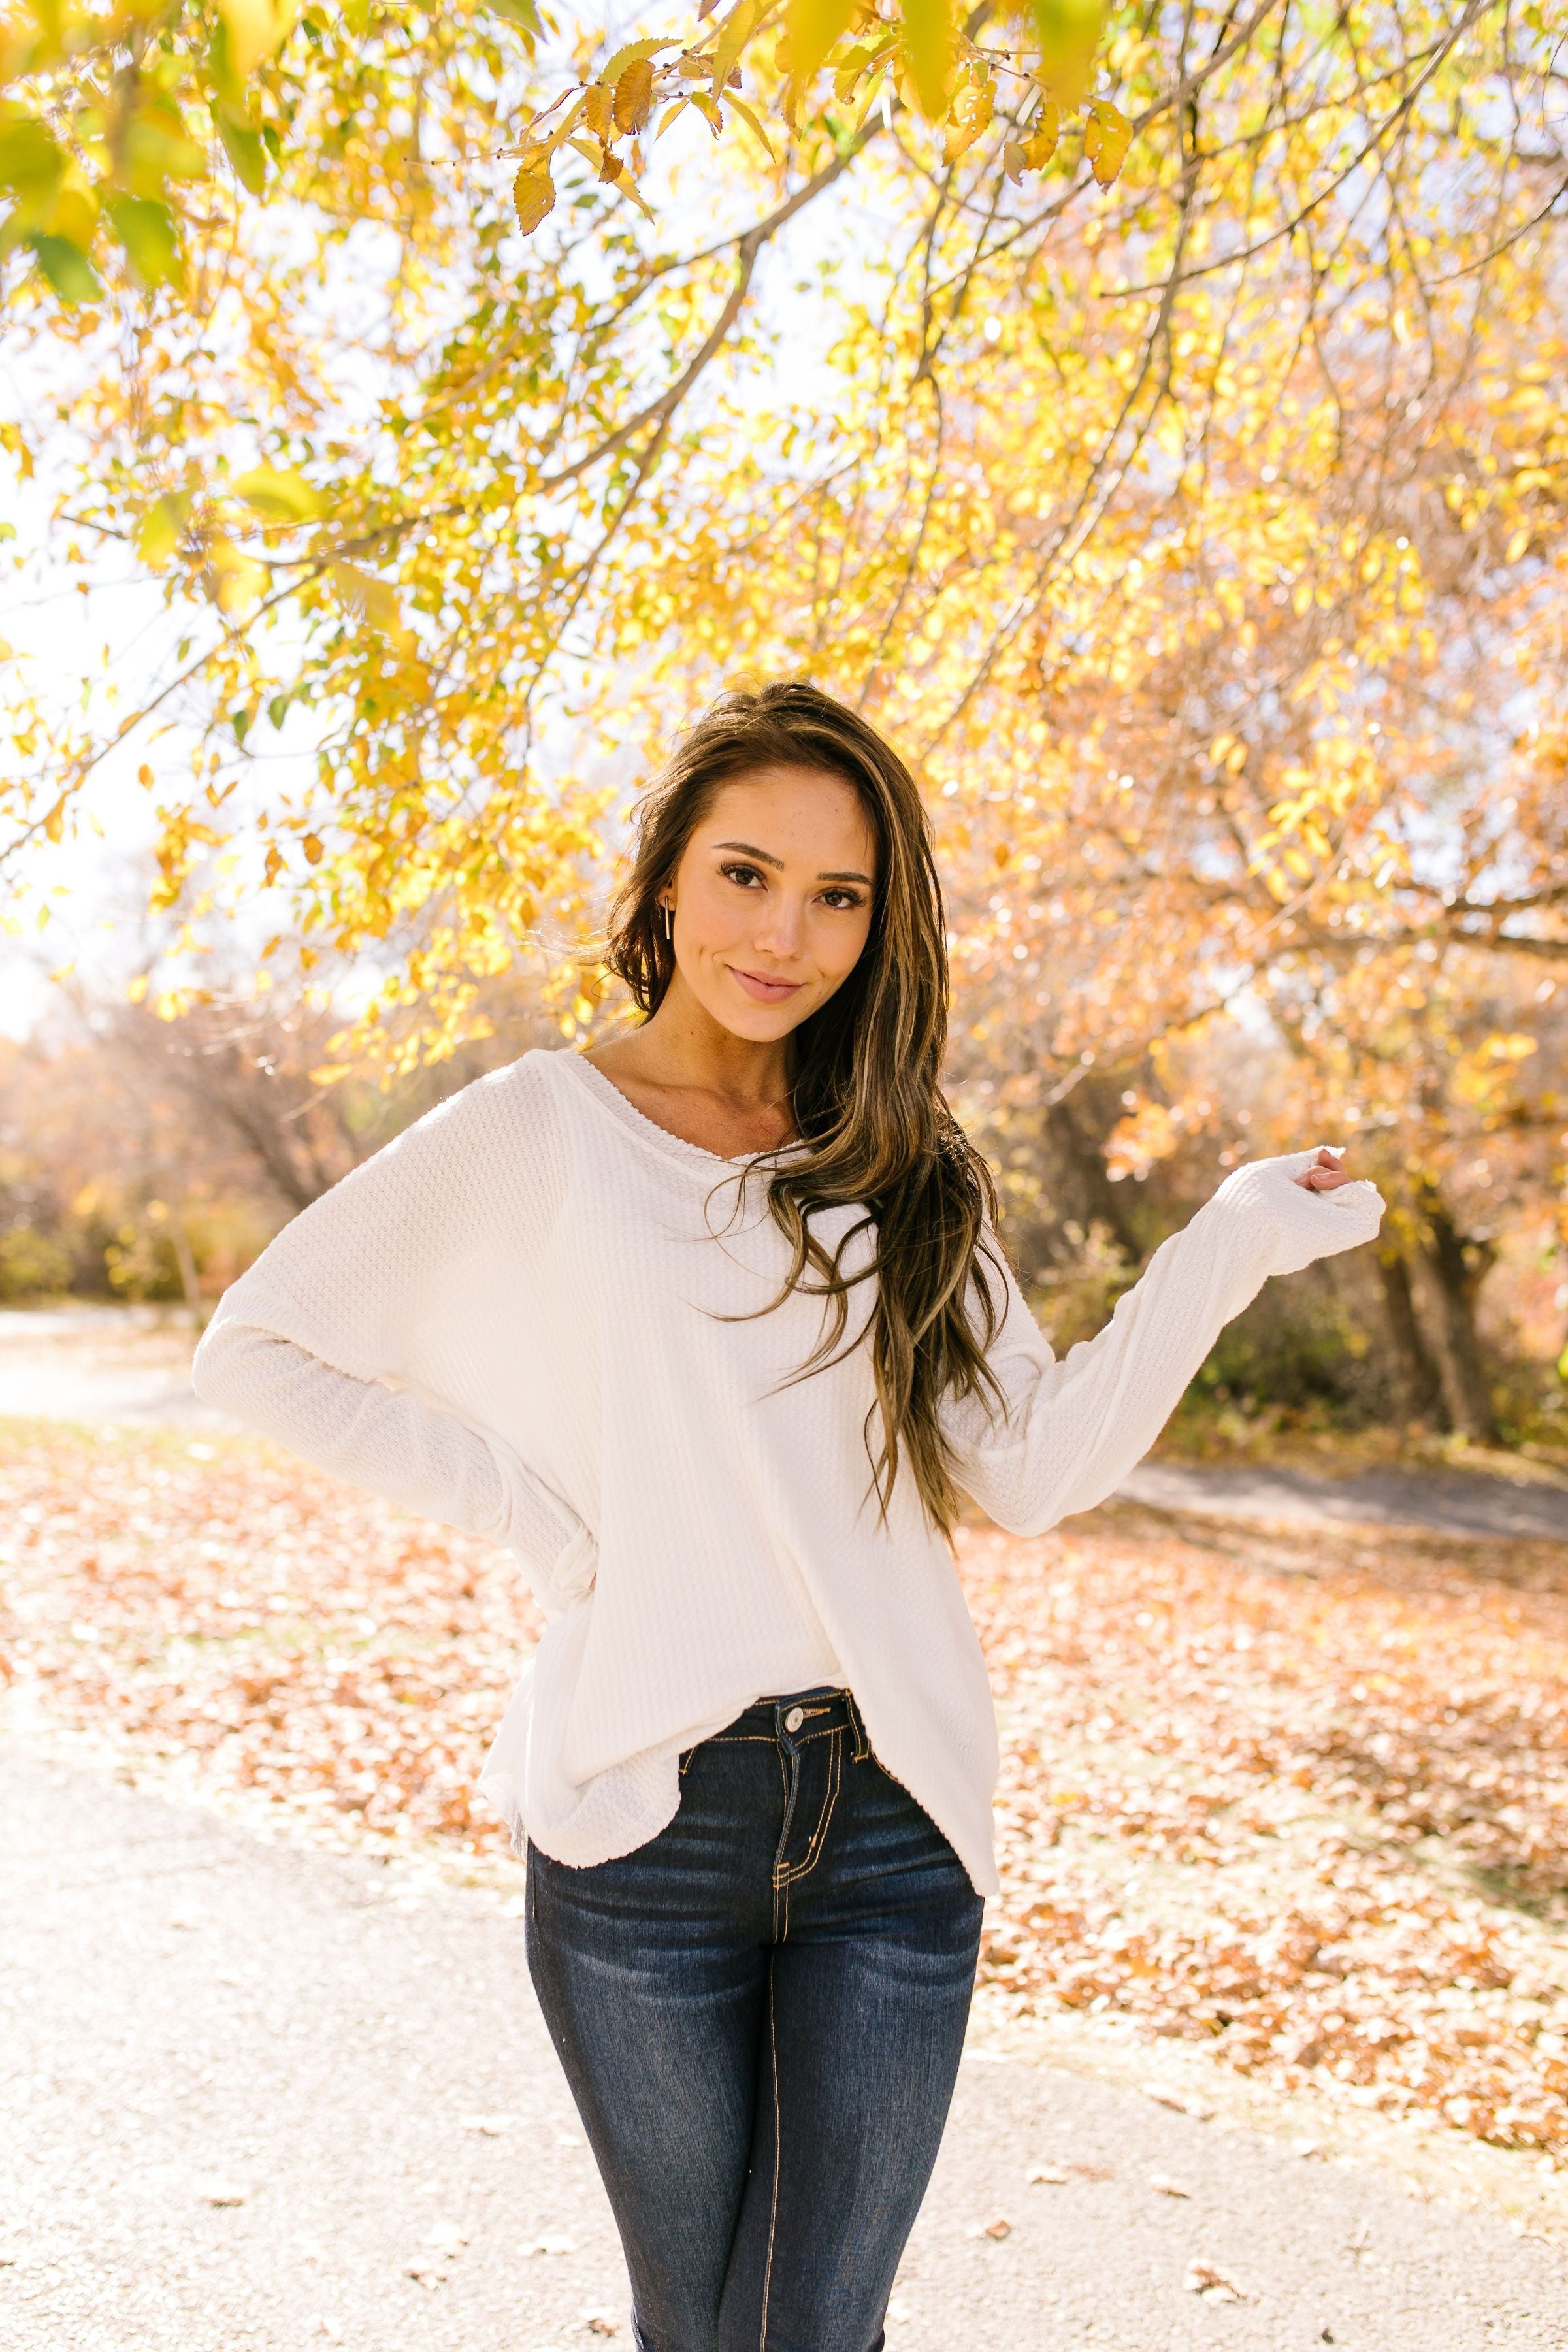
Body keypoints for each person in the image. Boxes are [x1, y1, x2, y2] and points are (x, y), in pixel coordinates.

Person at [193, 680, 1383, 2352]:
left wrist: (1231, 1241)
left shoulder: (901, 1158)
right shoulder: (541, 1125)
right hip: (645, 1825)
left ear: (880, 926)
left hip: (894, 1822)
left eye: (839, 896)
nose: (784, 935)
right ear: (668, 878)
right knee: (704, 2332)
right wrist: (546, 1522)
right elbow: (257, 1348)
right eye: (746, 874)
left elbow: (1030, 1468)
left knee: (805, 2333)